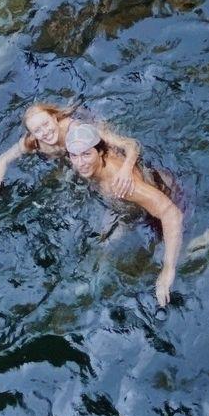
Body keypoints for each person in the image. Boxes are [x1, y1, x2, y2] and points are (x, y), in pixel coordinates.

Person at [65, 121, 183, 307]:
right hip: (135, 207)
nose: (80, 163)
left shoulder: (121, 185)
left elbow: (171, 213)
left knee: (184, 257)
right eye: (74, 156)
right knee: (104, 244)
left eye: (86, 154)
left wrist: (168, 269)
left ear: (100, 152)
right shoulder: (92, 157)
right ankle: (89, 282)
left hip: (173, 202)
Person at [0, 102, 141, 216]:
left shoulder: (78, 130)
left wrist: (126, 168)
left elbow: (131, 144)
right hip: (68, 157)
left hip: (88, 139)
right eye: (37, 130)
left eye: (46, 124)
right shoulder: (34, 143)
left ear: (54, 118)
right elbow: (4, 159)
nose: (45, 132)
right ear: (32, 134)